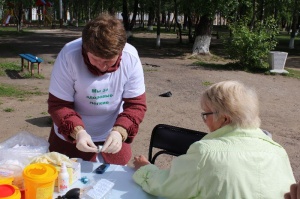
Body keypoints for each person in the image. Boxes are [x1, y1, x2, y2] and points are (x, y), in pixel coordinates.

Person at [133, 80, 295, 198]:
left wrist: (145, 168)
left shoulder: (207, 153)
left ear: (224, 119)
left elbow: (167, 185)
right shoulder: (278, 151)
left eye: (206, 114)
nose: (204, 121)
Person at [47, 13, 146, 165]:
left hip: (112, 134)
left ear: (120, 52)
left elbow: (136, 105)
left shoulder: (130, 57)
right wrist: (77, 131)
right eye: (95, 59)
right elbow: (59, 104)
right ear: (85, 49)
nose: (102, 66)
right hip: (72, 138)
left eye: (108, 61)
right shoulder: (69, 55)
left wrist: (120, 131)